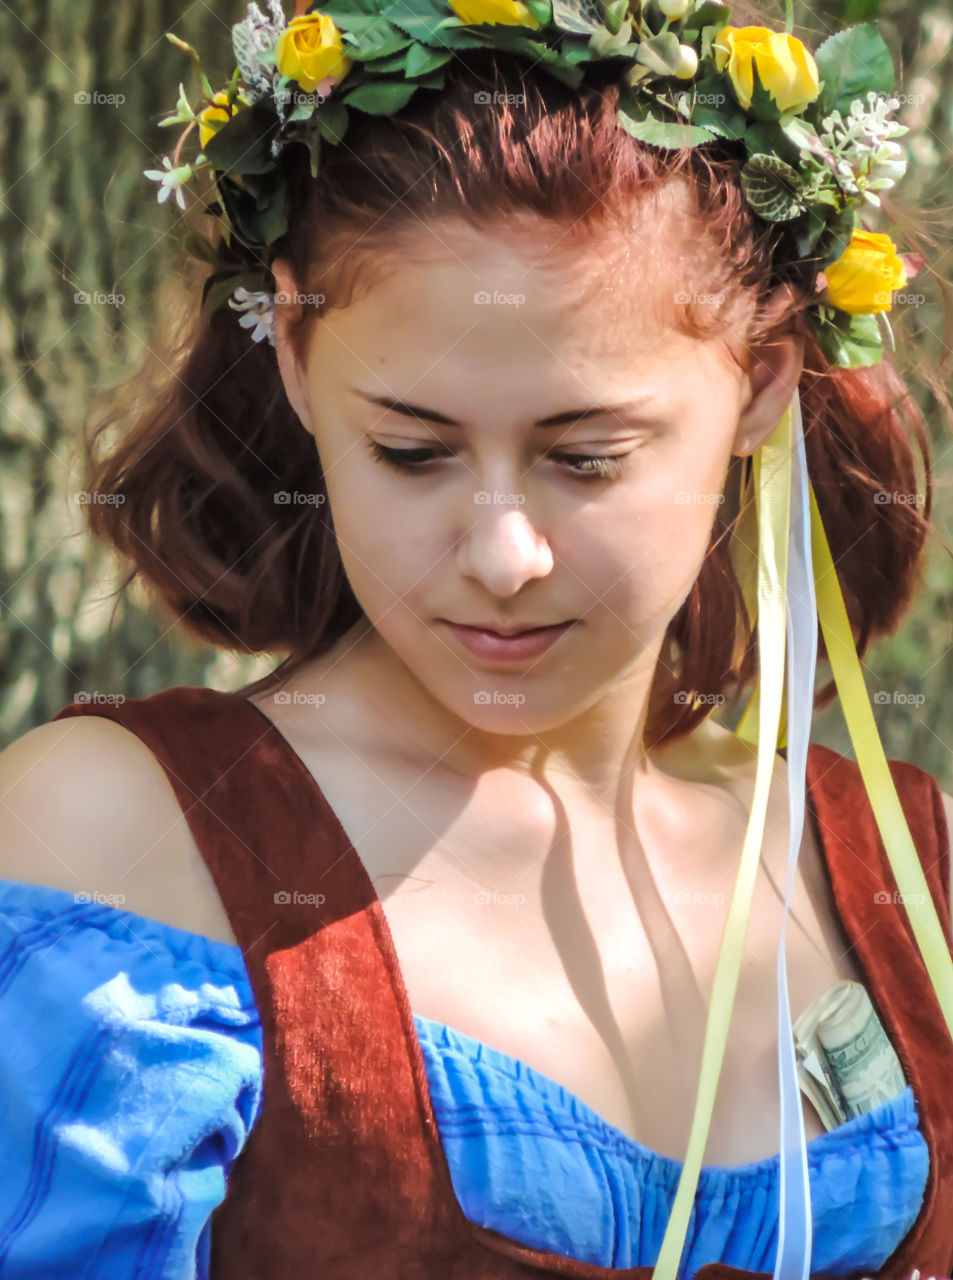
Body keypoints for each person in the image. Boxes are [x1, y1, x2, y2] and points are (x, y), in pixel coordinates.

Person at [1, 0, 952, 1276]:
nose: (502, 554)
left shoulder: (907, 862)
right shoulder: (119, 841)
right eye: (412, 450)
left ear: (765, 377)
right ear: (291, 348)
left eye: (585, 456)